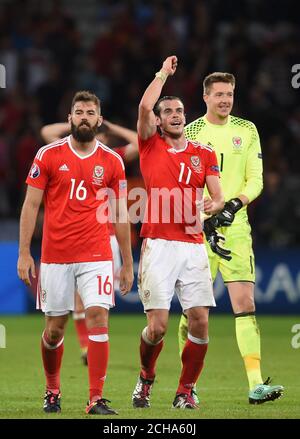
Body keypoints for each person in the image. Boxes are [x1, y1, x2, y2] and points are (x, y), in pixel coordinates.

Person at [17, 90, 134, 415]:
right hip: (55, 257)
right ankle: (52, 390)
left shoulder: (112, 160)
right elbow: (31, 204)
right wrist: (24, 252)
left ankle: (95, 398)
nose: (84, 117)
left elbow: (121, 214)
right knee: (54, 330)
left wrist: (126, 262)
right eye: (79, 112)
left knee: (98, 318)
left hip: (96, 255)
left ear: (99, 119)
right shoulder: (48, 154)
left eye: (90, 112)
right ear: (70, 119)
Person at [178, 72, 284, 404]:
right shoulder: (192, 131)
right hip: (197, 228)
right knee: (195, 313)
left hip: (235, 227)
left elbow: (256, 179)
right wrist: (201, 210)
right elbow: (182, 180)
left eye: (230, 93)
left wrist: (234, 203)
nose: (226, 99)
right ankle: (188, 386)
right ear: (206, 97)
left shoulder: (247, 129)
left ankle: (255, 384)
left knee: (245, 304)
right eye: (219, 94)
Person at [131, 56, 225, 410]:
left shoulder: (204, 153)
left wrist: (213, 205)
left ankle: (186, 389)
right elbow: (143, 105)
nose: (174, 114)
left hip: (192, 245)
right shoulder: (149, 145)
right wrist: (162, 74)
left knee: (200, 321)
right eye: (167, 110)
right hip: (158, 245)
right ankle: (146, 378)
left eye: (179, 109)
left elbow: (216, 195)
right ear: (157, 120)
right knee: (157, 328)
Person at [40, 119, 138, 365]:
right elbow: (46, 132)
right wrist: (76, 122)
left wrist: (112, 126)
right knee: (78, 299)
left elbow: (140, 142)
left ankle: (93, 342)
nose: (101, 140)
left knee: (98, 304)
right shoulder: (66, 153)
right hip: (75, 238)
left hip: (107, 238)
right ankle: (86, 346)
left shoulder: (111, 158)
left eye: (104, 137)